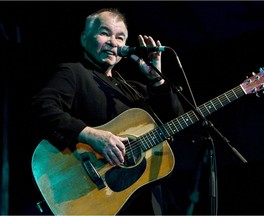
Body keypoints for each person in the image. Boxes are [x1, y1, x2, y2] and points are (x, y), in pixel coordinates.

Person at [31, 7, 184, 215]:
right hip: (97, 196)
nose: (114, 42)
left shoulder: (135, 90)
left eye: (120, 37)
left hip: (144, 200)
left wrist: (156, 79)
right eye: (105, 33)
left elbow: (175, 121)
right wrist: (92, 135)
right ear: (84, 39)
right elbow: (42, 107)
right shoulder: (74, 73)